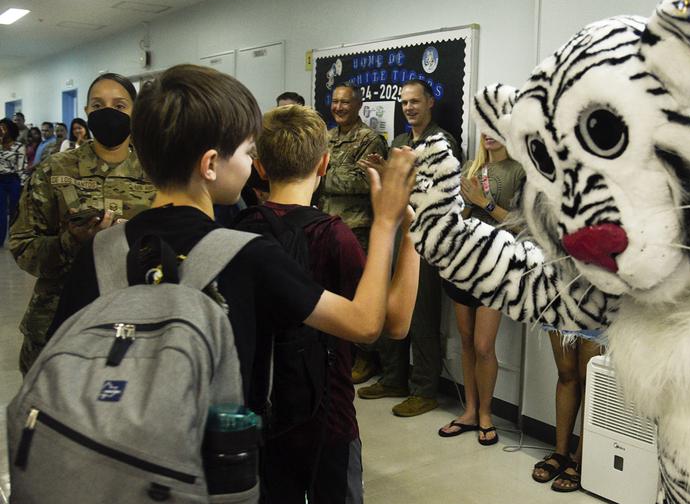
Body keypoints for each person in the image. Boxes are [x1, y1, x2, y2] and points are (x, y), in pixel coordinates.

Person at [50, 63, 417, 440]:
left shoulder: (99, 248)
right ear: (211, 164)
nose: (250, 164)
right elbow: (367, 324)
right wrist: (389, 222)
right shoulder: (247, 254)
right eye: (246, 151)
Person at [244, 103, 418, 504]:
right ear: (324, 163)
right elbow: (394, 324)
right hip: (327, 419)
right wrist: (408, 230)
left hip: (261, 415)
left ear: (262, 168)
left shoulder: (241, 230)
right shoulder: (333, 236)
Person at [8, 73, 156, 375]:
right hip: (57, 323)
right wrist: (71, 242)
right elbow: (22, 246)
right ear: (87, 112)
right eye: (98, 105)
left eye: (120, 105)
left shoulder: (156, 173)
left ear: (135, 113)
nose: (108, 112)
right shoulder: (55, 169)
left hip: (132, 326)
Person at [358, 79, 463, 417]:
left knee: (421, 317)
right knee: (390, 308)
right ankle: (393, 379)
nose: (409, 107)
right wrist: (382, 172)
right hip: (398, 235)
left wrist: (395, 174)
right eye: (404, 103)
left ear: (430, 103)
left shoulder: (443, 142)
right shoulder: (401, 142)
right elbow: (396, 189)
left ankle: (425, 389)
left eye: (415, 101)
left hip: (427, 239)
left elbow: (439, 191)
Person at [437, 133, 524, 446]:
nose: (488, 134)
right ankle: (470, 411)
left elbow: (523, 225)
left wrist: (483, 201)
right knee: (466, 340)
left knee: (485, 345)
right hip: (463, 263)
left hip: (496, 266)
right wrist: (461, 206)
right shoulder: (471, 169)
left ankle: (486, 414)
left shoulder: (519, 170)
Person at [319, 82, 389, 384]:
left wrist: (321, 174)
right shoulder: (327, 137)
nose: (338, 107)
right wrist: (336, 174)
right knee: (330, 292)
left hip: (356, 229)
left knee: (356, 294)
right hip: (326, 224)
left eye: (345, 102)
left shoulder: (370, 139)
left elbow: (364, 182)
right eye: (334, 102)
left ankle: (365, 357)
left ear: (358, 105)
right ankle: (337, 351)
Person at [531, 336, 602, 493]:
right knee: (565, 372)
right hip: (564, 311)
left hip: (601, 312)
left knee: (589, 377)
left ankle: (580, 458)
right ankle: (561, 453)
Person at [0, 117, 26, 247]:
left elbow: (21, 167)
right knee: (1, 210)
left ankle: (14, 237)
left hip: (13, 179)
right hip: (0, 180)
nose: (2, 130)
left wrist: (22, 184)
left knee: (14, 210)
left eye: (4, 128)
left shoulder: (19, 146)